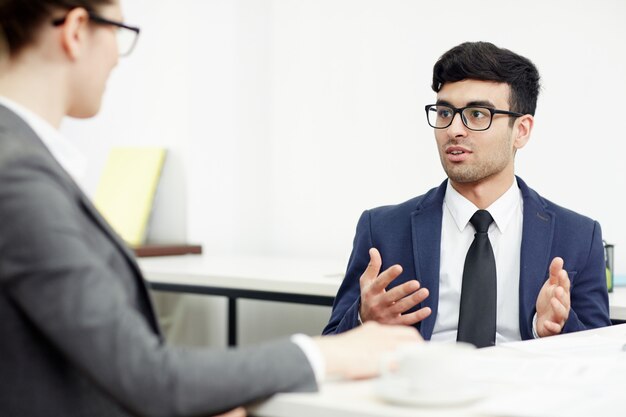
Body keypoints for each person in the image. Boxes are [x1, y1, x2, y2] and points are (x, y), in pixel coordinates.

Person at [0, 1, 422, 416]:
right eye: (117, 31)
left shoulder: (23, 161)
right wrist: (331, 353)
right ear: (75, 31)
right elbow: (148, 377)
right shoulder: (17, 175)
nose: (116, 56)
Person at [323, 41, 611, 346]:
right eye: (445, 112)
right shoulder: (382, 229)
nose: (454, 129)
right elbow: (332, 344)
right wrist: (364, 319)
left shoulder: (579, 236)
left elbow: (599, 357)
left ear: (522, 130)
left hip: (524, 389)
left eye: (476, 114)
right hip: (422, 387)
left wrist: (552, 328)